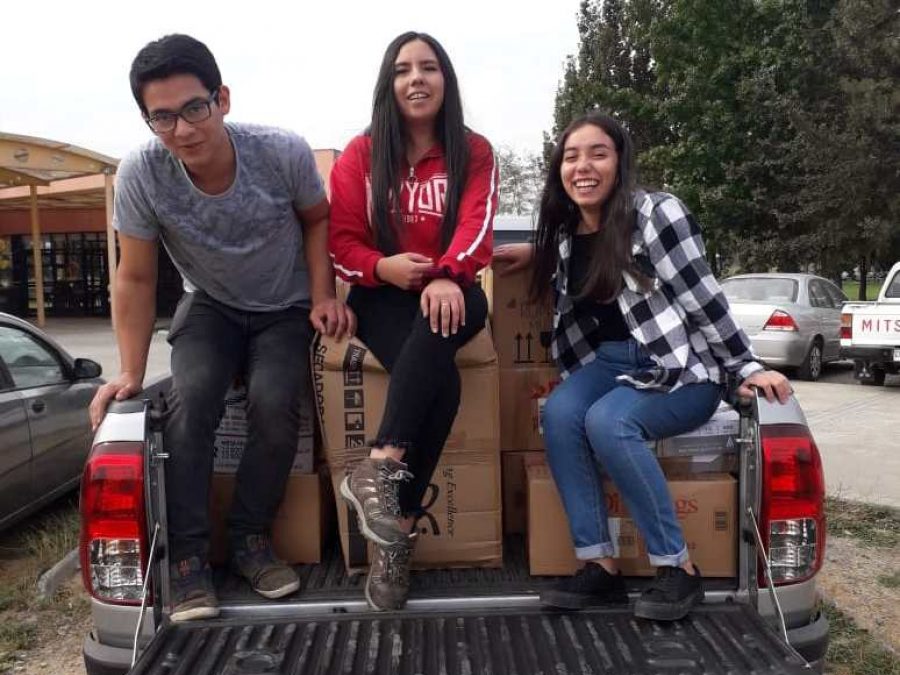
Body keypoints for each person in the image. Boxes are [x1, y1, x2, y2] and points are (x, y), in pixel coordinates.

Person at [88, 34, 354, 622]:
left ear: (222, 99)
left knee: (275, 401)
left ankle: (249, 537)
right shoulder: (142, 173)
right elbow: (133, 278)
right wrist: (129, 371)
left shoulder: (280, 152)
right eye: (161, 117)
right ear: (147, 120)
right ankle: (187, 557)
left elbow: (318, 220)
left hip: (283, 306)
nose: (181, 129)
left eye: (193, 108)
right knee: (193, 400)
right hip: (208, 304)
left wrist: (320, 297)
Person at [493, 112, 791, 621]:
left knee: (609, 421)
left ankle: (678, 568)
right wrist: (533, 250)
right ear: (558, 171)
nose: (583, 166)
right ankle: (600, 566)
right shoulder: (566, 235)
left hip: (682, 368)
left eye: (598, 153)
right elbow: (572, 265)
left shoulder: (656, 215)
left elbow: (703, 296)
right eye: (571, 156)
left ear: (620, 162)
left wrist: (744, 366)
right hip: (611, 364)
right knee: (561, 411)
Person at [328, 31, 497, 611]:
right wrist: (382, 266)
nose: (416, 79)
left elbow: (478, 225)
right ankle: (395, 533)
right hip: (384, 296)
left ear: (445, 80)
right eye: (403, 69)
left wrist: (448, 271)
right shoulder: (360, 154)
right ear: (388, 84)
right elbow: (340, 243)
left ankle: (379, 467)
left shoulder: (473, 151)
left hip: (455, 291)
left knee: (448, 317)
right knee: (441, 384)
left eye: (428, 67)